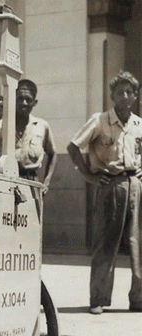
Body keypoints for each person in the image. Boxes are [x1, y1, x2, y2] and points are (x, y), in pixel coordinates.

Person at [67, 71, 142, 315]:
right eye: (119, 92)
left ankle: (138, 299)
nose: (124, 96)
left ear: (135, 95)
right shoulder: (99, 121)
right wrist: (89, 176)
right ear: (112, 96)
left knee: (137, 243)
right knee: (106, 242)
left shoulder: (139, 124)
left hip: (135, 185)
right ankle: (98, 298)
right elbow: (73, 146)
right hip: (111, 185)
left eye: (129, 92)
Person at [0, 79, 57, 192]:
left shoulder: (42, 126)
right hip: (3, 183)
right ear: (13, 100)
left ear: (35, 102)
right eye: (20, 99)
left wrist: (46, 182)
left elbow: (53, 154)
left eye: (28, 99)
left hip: (32, 183)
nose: (24, 103)